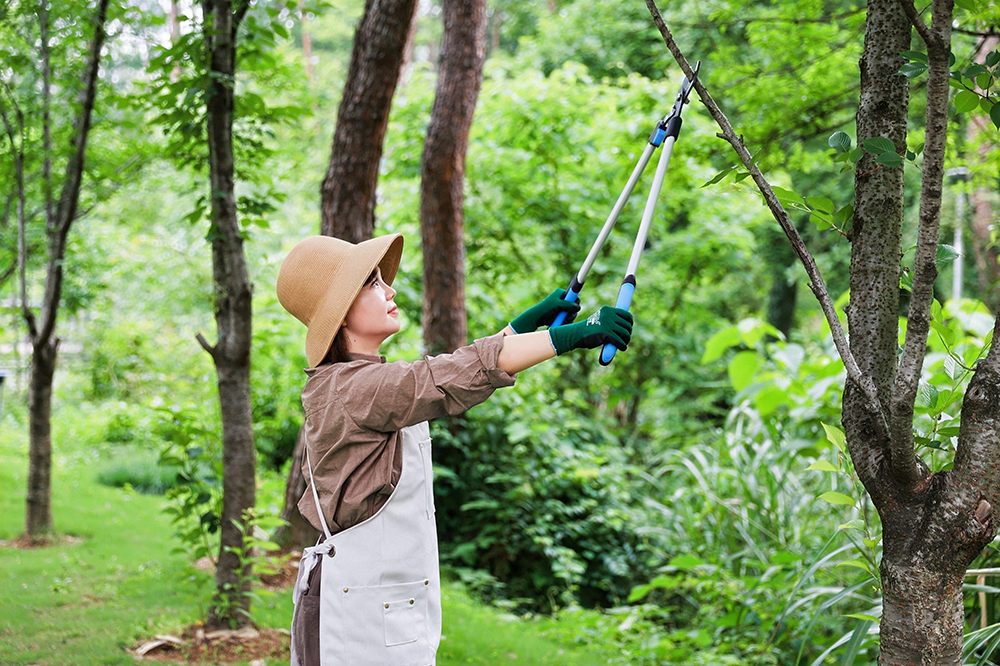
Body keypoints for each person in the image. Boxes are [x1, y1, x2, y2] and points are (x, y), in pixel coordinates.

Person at [276, 233, 634, 666]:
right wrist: (572, 335)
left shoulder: (358, 382)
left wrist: (520, 328)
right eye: (372, 283)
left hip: (373, 606)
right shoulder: (353, 388)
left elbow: (450, 372)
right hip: (354, 618)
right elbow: (443, 378)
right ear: (341, 313)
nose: (390, 290)